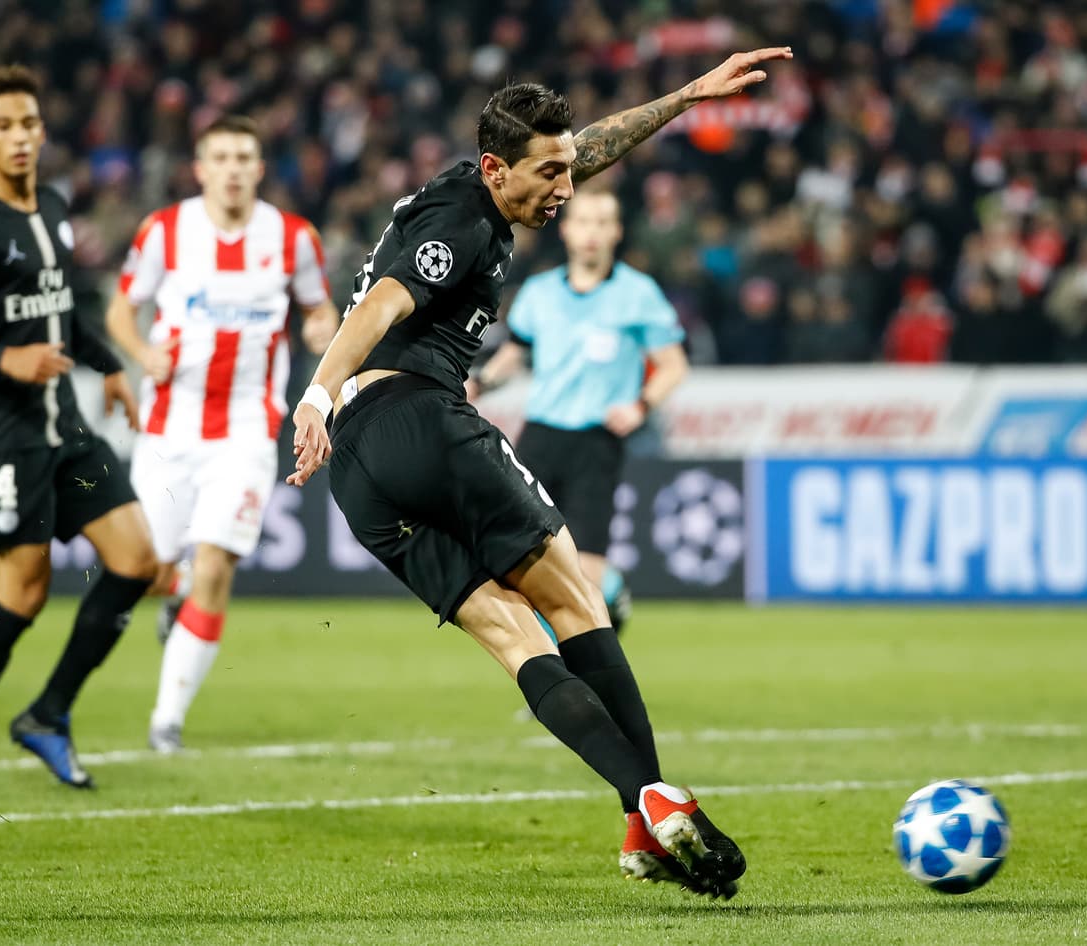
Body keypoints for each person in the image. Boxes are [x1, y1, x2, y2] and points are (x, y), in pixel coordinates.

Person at [286, 47, 792, 898]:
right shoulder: (465, 223)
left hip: (362, 474)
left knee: (516, 639)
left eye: (564, 172)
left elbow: (586, 145)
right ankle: (651, 808)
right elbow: (381, 305)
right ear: (496, 169)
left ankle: (643, 817)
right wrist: (312, 393)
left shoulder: (477, 183)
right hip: (419, 417)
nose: (565, 188)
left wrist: (689, 96)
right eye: (548, 174)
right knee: (574, 602)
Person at [0, 65, 157, 792]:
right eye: (4, 127)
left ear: (42, 132)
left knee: (137, 560)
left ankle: (48, 713)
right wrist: (1, 358)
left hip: (67, 428)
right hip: (5, 435)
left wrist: (108, 365)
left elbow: (60, 310)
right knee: (24, 593)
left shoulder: (49, 205)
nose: (19, 137)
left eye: (29, 124)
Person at [105, 115, 339, 754]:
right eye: (222, 158)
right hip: (168, 426)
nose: (234, 168)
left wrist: (323, 330)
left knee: (214, 567)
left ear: (260, 168)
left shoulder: (292, 238)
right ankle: (170, 593)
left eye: (245, 157)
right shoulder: (165, 231)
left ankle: (166, 721)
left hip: (245, 429)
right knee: (148, 570)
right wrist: (138, 353)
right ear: (201, 168)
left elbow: (320, 309)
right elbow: (121, 311)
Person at [472, 189, 689, 635]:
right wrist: (480, 383)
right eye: (584, 222)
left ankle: (606, 599)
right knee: (526, 564)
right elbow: (516, 352)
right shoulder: (539, 292)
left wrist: (641, 405)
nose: (592, 233)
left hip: (596, 440)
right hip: (541, 435)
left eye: (602, 222)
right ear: (567, 231)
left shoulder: (638, 293)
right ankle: (559, 679)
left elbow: (674, 365)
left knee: (585, 571)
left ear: (617, 232)